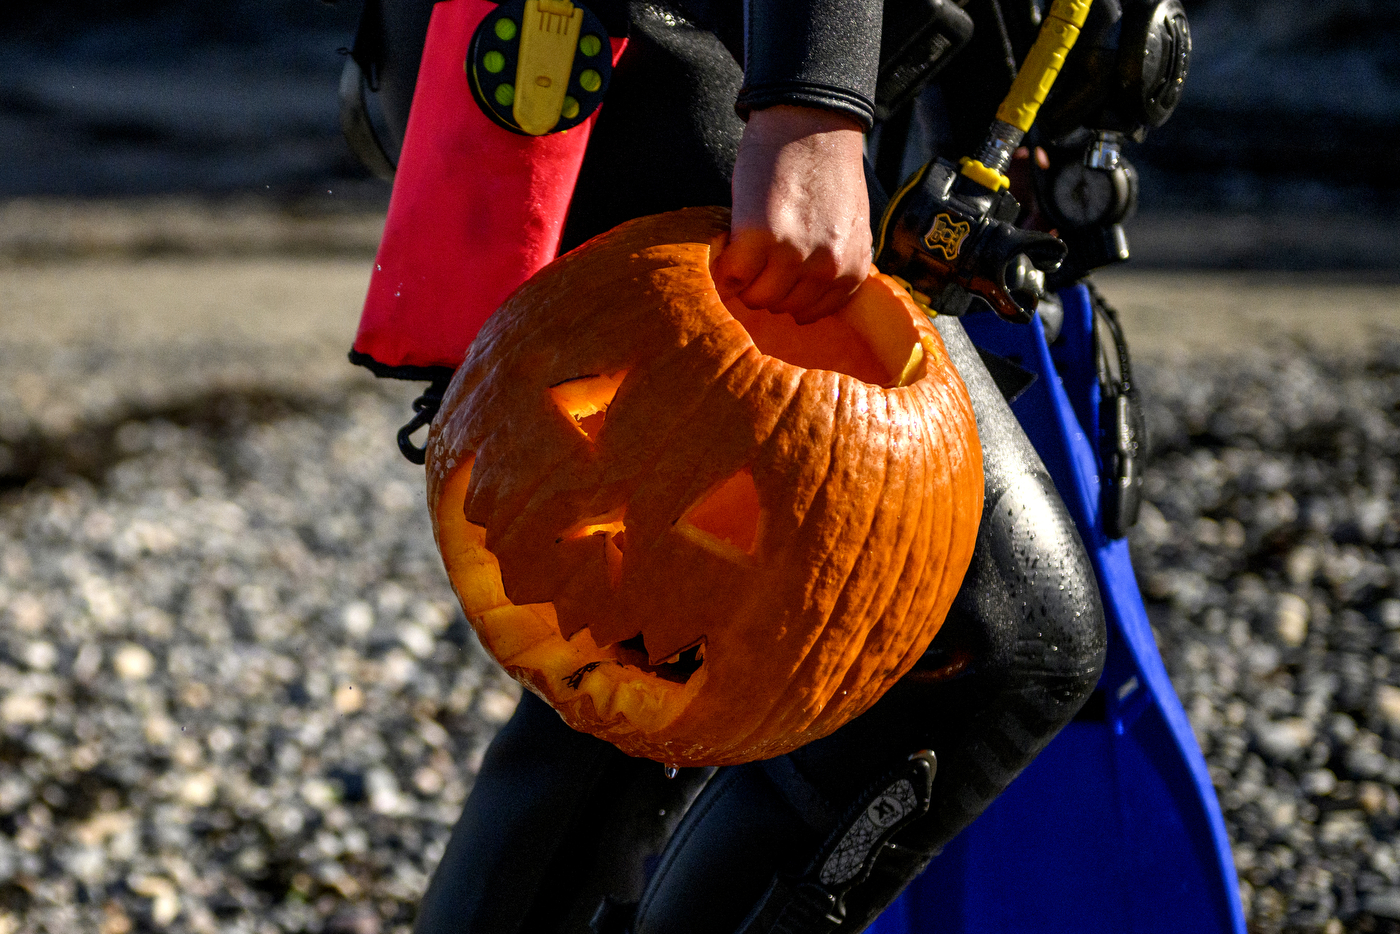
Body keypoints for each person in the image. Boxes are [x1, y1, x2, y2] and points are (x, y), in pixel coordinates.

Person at [355, 1, 1107, 930]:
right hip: (655, 45)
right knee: (1002, 643)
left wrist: (983, 80)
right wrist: (811, 109)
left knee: (647, 646)